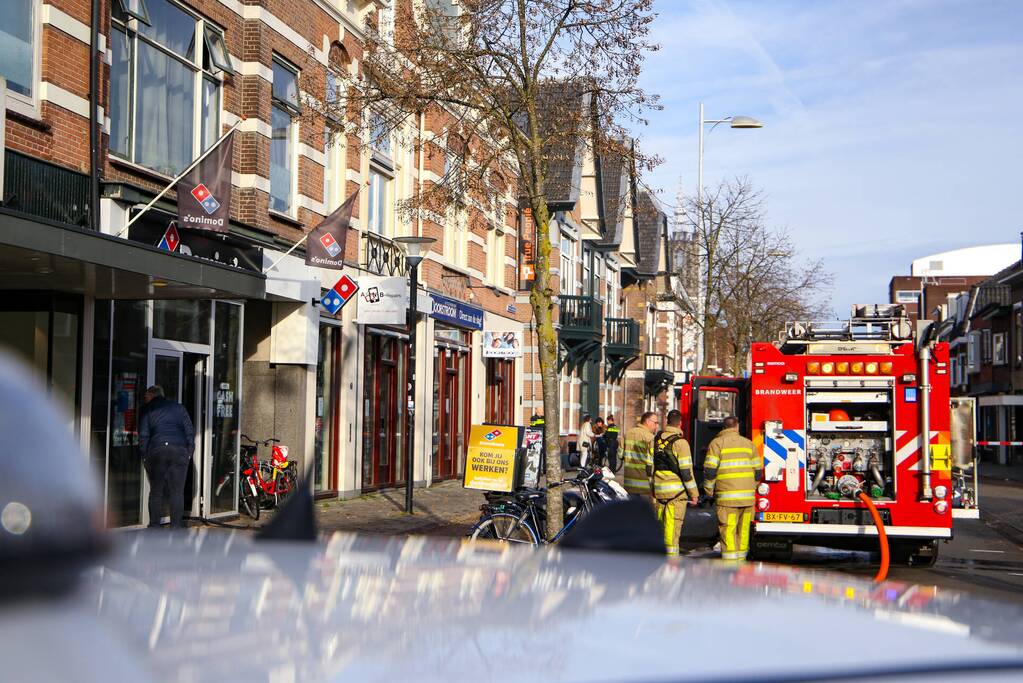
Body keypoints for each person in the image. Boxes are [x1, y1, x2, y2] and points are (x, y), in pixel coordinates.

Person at [703, 416, 762, 561]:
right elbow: (758, 471)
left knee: (728, 530)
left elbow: (710, 471)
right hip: (747, 499)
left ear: (724, 428)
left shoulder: (716, 444)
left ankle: (730, 565)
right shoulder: (749, 444)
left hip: (727, 498)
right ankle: (741, 561)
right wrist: (751, 488)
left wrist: (709, 491)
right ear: (737, 427)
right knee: (743, 530)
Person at [139, 385, 195, 529]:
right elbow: (189, 431)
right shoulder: (179, 408)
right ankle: (176, 528)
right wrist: (189, 451)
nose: (144, 400)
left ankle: (154, 527)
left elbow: (144, 435)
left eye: (146, 397)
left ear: (152, 395)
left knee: (156, 491)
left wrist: (144, 455)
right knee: (177, 492)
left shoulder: (148, 409)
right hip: (179, 451)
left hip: (157, 451)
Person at [652, 410, 700, 557]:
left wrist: (652, 489)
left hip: (659, 492)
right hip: (676, 494)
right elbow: (686, 472)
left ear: (667, 421)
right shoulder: (681, 443)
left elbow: (650, 467)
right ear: (679, 423)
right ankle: (670, 564)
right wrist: (694, 494)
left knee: (660, 528)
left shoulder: (655, 440)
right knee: (672, 531)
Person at [622, 411, 659, 500]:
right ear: (648, 421)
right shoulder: (650, 438)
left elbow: (620, 454)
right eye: (655, 422)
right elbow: (651, 462)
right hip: (644, 485)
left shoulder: (627, 433)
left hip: (628, 483)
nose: (657, 426)